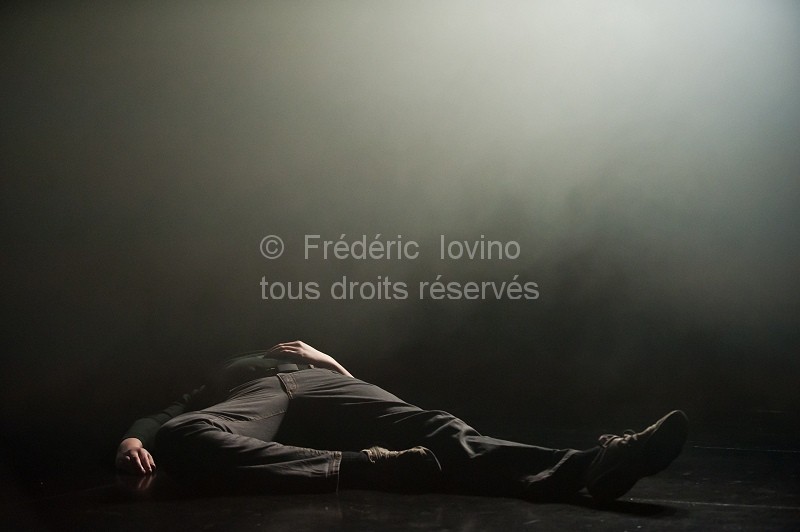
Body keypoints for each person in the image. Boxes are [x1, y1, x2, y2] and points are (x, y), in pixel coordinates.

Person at [116, 341, 688, 502]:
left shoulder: (311, 358)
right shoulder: (227, 373)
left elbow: (359, 394)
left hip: (330, 387)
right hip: (262, 398)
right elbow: (166, 415)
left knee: (437, 426)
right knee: (185, 436)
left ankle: (596, 466)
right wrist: (131, 439)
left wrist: (326, 361)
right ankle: (366, 468)